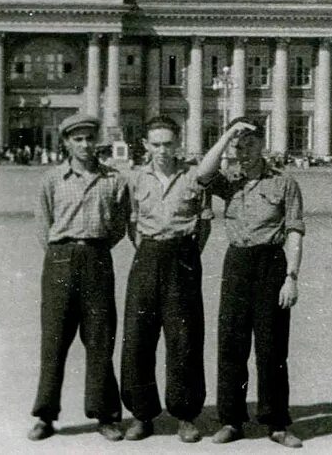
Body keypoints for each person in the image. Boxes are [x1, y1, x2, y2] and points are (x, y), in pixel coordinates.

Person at [119, 116, 255, 443]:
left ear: (177, 143)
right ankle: (141, 414)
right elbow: (131, 225)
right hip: (148, 256)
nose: (163, 151)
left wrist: (184, 252)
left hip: (183, 258)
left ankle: (185, 415)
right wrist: (152, 248)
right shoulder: (135, 179)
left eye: (168, 144)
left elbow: (204, 224)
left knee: (185, 338)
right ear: (146, 146)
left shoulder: (193, 177)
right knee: (138, 337)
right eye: (156, 144)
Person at [200, 116, 306, 448]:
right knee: (232, 344)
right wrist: (228, 133)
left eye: (249, 144)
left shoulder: (284, 182)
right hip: (238, 262)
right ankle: (231, 420)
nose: (243, 152)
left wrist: (291, 277)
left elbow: (294, 231)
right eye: (238, 146)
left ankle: (276, 422)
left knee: (272, 347)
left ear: (262, 145)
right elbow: (202, 173)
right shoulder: (228, 180)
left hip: (272, 263)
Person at [28, 113, 129, 442]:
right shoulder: (53, 179)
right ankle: (45, 415)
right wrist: (64, 249)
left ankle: (106, 415)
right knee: (54, 340)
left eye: (89, 139)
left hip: (98, 259)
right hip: (59, 259)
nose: (85, 145)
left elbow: (118, 225)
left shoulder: (113, 179)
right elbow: (43, 224)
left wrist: (93, 247)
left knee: (100, 339)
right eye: (78, 139)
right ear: (67, 143)